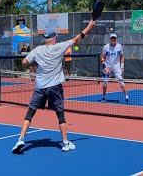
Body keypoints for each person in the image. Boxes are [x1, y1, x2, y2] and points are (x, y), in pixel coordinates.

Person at [11, 20, 96, 154]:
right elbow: (77, 38)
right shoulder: (59, 47)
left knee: (30, 112)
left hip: (40, 87)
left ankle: (20, 139)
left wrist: (34, 65)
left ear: (45, 39)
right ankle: (65, 142)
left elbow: (24, 62)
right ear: (54, 38)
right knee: (60, 114)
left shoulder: (37, 50)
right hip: (55, 87)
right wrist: (89, 27)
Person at [100, 33, 129, 103]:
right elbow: (102, 58)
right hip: (107, 67)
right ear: (110, 39)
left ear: (116, 39)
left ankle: (126, 96)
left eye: (114, 38)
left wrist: (122, 66)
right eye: (112, 38)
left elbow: (122, 57)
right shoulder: (106, 47)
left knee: (121, 81)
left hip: (117, 67)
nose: (113, 40)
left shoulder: (119, 46)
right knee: (104, 83)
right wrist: (104, 67)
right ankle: (104, 97)